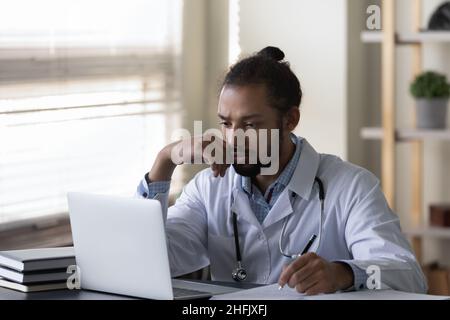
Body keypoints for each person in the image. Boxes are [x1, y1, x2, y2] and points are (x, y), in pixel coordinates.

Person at [136, 46, 427, 295]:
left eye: (250, 125)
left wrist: (342, 273)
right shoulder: (208, 187)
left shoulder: (352, 186)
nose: (233, 138)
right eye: (226, 123)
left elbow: (409, 276)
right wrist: (164, 162)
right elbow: (150, 262)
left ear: (290, 120)